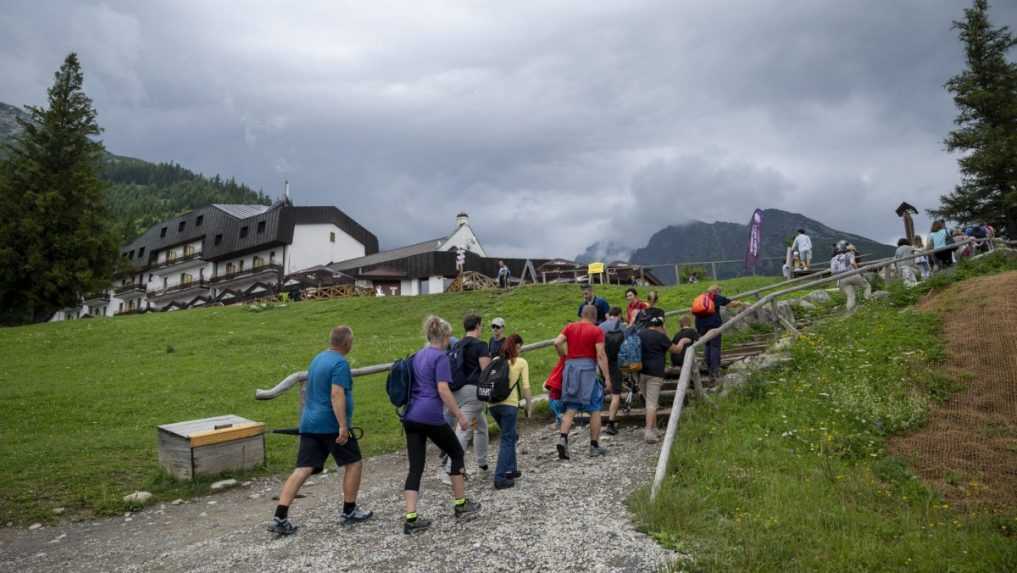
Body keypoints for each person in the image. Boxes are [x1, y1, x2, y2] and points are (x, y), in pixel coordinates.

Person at [268, 326, 372, 536]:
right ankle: (349, 510)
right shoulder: (340, 363)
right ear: (346, 343)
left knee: (303, 468)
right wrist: (342, 426)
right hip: (331, 425)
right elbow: (336, 394)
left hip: (310, 422)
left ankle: (280, 516)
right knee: (354, 462)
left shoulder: (318, 358)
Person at [402, 316, 481, 534]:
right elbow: (443, 389)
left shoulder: (417, 355)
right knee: (456, 452)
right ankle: (461, 504)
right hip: (430, 415)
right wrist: (460, 416)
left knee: (416, 466)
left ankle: (410, 517)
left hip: (410, 416)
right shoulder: (440, 357)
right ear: (445, 337)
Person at [552, 304, 611, 459]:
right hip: (587, 371)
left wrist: (563, 356)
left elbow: (557, 342)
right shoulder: (596, 331)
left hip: (570, 369)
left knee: (571, 407)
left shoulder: (570, 327)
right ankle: (594, 446)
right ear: (594, 316)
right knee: (595, 408)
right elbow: (600, 355)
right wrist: (607, 377)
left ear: (582, 314)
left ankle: (563, 438)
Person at [441, 314, 491, 481]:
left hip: (456, 392)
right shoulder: (481, 345)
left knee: (481, 427)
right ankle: (450, 471)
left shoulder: (457, 345)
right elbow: (485, 371)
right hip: (472, 394)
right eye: (481, 325)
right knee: (464, 430)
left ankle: (483, 466)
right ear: (477, 325)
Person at [638, 315, 697, 443]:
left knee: (648, 401)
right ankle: (648, 432)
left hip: (641, 372)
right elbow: (676, 350)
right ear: (660, 326)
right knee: (652, 404)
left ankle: (654, 428)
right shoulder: (660, 336)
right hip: (655, 373)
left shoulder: (640, 334)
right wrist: (682, 342)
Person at [489, 334, 532, 490]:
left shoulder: (494, 361)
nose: (520, 351)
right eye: (519, 347)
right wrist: (529, 405)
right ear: (515, 347)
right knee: (508, 438)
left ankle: (511, 469)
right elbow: (526, 386)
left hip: (492, 406)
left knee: (511, 435)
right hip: (509, 405)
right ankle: (500, 477)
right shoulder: (521, 362)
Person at [694, 285, 739, 381]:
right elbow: (731, 304)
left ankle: (709, 368)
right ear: (716, 291)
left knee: (707, 345)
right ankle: (715, 370)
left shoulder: (701, 298)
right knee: (715, 346)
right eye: (719, 291)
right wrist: (740, 303)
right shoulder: (716, 297)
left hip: (701, 326)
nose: (720, 293)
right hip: (713, 325)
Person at [599, 307, 626, 436]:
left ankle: (597, 416)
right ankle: (611, 422)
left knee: (606, 384)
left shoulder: (600, 327)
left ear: (608, 315)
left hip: (602, 362)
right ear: (619, 315)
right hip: (617, 362)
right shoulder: (622, 327)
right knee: (616, 394)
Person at [831, 240, 871, 312]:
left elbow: (833, 272)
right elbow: (852, 263)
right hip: (852, 274)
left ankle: (849, 312)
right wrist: (858, 272)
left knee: (850, 296)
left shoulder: (833, 259)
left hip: (842, 279)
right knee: (867, 286)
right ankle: (867, 302)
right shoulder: (849, 254)